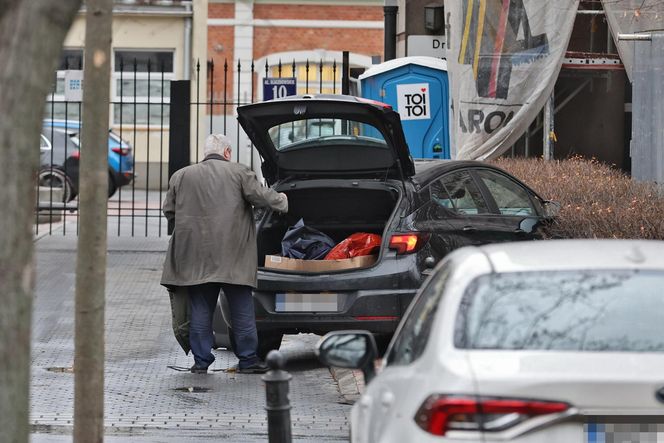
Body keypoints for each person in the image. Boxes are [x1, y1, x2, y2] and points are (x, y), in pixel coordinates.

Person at [160, 133, 288, 374]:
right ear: (227, 152)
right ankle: (248, 360)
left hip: (196, 257)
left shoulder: (182, 176)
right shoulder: (239, 173)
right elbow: (261, 197)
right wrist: (283, 200)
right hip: (234, 256)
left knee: (200, 309)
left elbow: (169, 211)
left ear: (206, 152)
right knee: (241, 309)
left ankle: (201, 362)